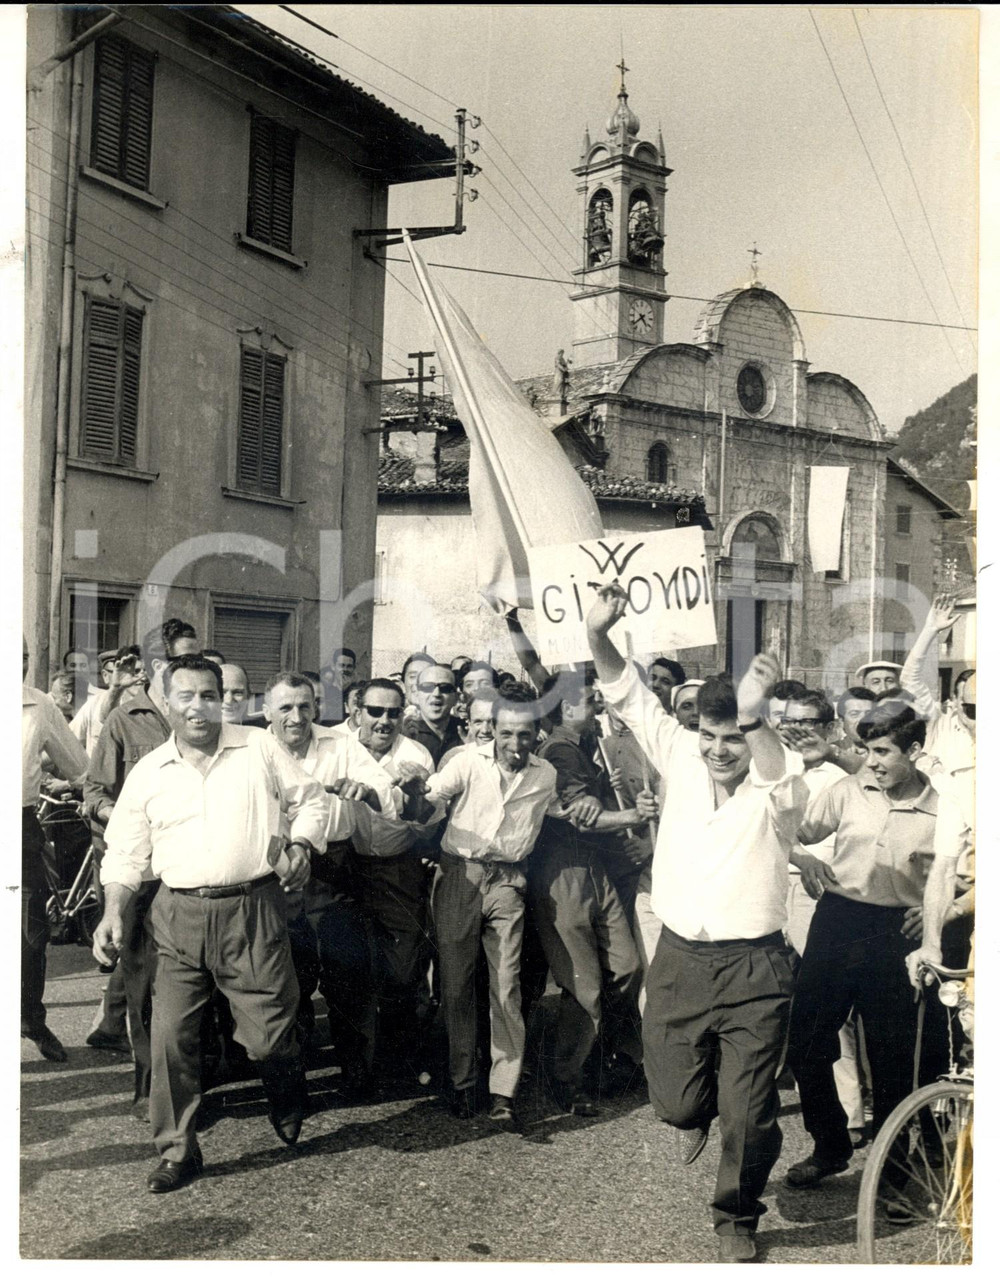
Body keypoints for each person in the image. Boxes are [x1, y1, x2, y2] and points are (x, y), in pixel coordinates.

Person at [586, 584, 808, 1264]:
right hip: (682, 958)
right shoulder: (680, 754)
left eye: (733, 737)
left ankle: (736, 1216)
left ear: (755, 735)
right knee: (679, 1103)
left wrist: (756, 716)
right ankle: (691, 1114)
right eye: (710, 735)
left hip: (756, 966)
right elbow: (625, 690)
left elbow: (771, 771)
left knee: (750, 1112)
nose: (719, 750)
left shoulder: (782, 777)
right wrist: (598, 633)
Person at [94, 656, 329, 1192]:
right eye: (185, 697)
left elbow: (309, 800)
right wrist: (112, 911)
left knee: (269, 1040)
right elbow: (126, 853)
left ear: (223, 699)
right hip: (177, 916)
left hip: (253, 910)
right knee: (171, 1038)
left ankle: (287, 1090)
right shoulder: (149, 772)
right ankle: (178, 1150)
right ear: (166, 702)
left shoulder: (258, 747)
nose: (198, 708)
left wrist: (299, 842)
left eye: (208, 695)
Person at [784, 701, 941, 1205]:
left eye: (882, 751)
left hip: (897, 935)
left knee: (893, 1061)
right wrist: (803, 856)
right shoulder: (846, 791)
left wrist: (939, 909)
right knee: (806, 1039)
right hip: (838, 921)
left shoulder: (945, 807)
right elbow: (789, 831)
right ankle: (830, 1144)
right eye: (864, 750)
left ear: (914, 751)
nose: (870, 761)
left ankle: (893, 1179)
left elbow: (968, 872)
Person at [401, 687, 563, 1126]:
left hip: (509, 881)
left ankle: (503, 1091)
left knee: (506, 985)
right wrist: (416, 793)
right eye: (506, 733)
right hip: (460, 876)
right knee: (455, 984)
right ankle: (462, 1082)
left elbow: (560, 810)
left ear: (537, 733)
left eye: (525, 735)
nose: (515, 744)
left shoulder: (544, 774)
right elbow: (429, 800)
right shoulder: (468, 762)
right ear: (493, 729)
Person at [83, 623, 201, 1114]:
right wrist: (133, 818)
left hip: (190, 870)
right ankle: (149, 1081)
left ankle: (190, 1078)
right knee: (143, 982)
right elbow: (94, 794)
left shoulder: (199, 713)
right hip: (140, 876)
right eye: (184, 661)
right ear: (157, 668)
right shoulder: (123, 720)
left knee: (189, 981)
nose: (196, 671)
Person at [262, 671, 396, 1090]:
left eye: (305, 706)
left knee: (347, 976)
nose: (296, 716)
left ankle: (357, 1073)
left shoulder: (340, 744)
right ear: (267, 711)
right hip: (274, 872)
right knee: (287, 980)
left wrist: (366, 789)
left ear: (317, 708)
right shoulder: (253, 747)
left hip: (333, 871)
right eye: (285, 707)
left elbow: (381, 787)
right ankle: (294, 1078)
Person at [530, 672, 647, 1113]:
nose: (596, 701)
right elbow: (581, 815)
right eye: (587, 698)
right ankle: (565, 1077)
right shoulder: (559, 750)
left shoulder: (582, 748)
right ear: (565, 708)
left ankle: (594, 1054)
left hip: (594, 868)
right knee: (584, 983)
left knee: (626, 965)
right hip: (564, 869)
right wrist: (632, 814)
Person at [776, 691, 866, 1147]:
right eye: (790, 723)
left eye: (810, 723)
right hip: (773, 888)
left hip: (823, 896)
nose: (799, 732)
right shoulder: (775, 768)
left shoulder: (843, 772)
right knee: (778, 999)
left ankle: (851, 1114)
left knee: (831, 1010)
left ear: (829, 727)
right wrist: (797, 855)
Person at [349, 679, 438, 1081]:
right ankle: (358, 1068)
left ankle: (399, 1061)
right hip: (346, 867)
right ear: (357, 711)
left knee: (403, 967)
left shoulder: (415, 754)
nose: (384, 721)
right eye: (375, 712)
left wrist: (415, 796)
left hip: (398, 867)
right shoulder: (338, 745)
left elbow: (424, 824)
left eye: (393, 713)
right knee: (350, 970)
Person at [22, 637, 90, 1062]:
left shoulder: (40, 706)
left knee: (30, 932)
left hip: (19, 825)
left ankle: (31, 1020)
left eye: (22, 656)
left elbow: (78, 765)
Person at [901, 594, 974, 778]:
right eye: (969, 706)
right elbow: (909, 679)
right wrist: (930, 630)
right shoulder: (939, 724)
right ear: (955, 701)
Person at [402, 663, 464, 765]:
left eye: (445, 688)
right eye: (428, 687)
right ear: (417, 694)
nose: (436, 694)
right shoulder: (403, 732)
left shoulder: (467, 731)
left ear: (456, 697)